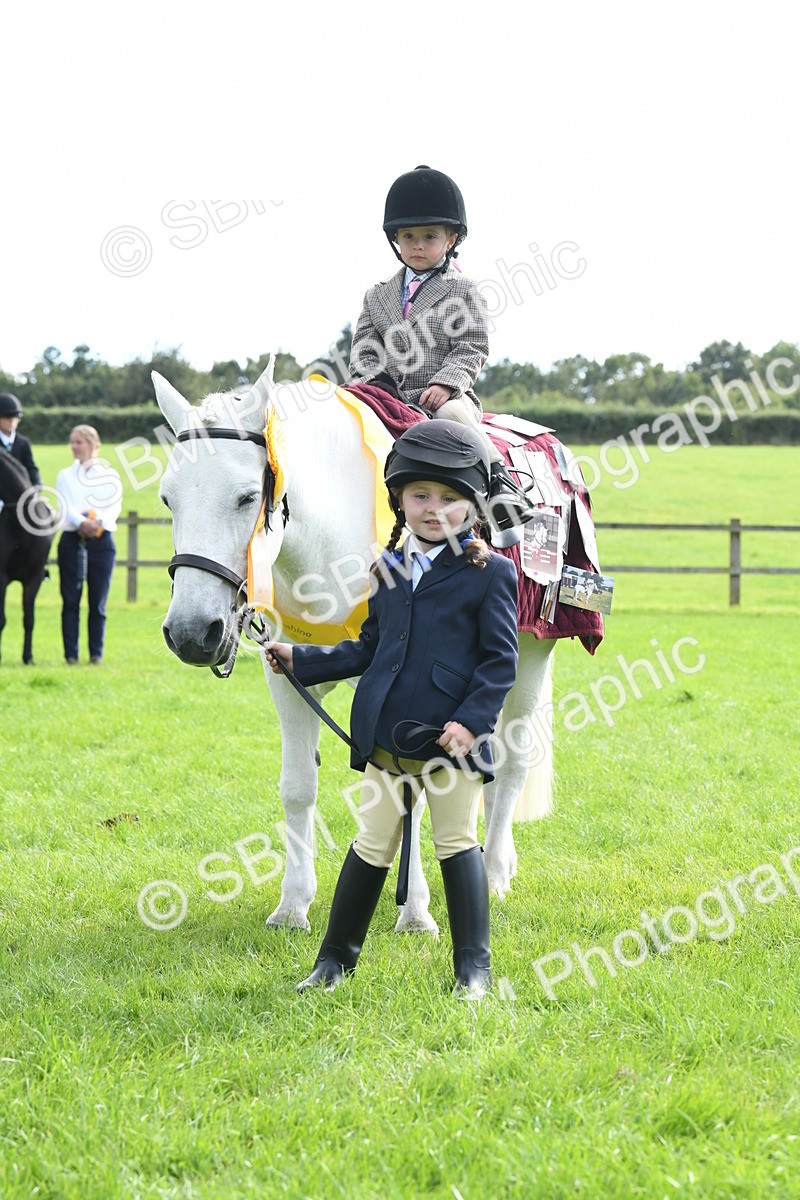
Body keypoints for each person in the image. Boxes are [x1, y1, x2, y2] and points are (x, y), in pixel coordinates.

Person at [265, 420, 519, 998]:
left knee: (456, 844)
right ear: (399, 500)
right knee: (370, 843)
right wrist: (301, 659)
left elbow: (499, 662)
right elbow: (370, 649)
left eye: (451, 499)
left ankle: (473, 973)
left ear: (472, 507)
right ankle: (334, 962)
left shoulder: (491, 574)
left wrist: (471, 723)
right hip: (386, 738)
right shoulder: (388, 568)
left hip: (450, 743)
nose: (435, 509)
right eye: (421, 496)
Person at [348, 164, 536, 544]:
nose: (418, 245)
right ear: (396, 239)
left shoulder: (462, 289)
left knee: (451, 414)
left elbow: (472, 345)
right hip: (386, 396)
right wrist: (372, 383)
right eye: (409, 236)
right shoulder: (376, 294)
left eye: (429, 237)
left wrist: (446, 384)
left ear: (451, 239)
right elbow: (364, 350)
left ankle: (500, 484)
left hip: (441, 399)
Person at [55, 425, 123, 664]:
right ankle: (71, 656)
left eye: (79, 442)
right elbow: (65, 506)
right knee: (71, 601)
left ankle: (96, 655)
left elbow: (114, 506)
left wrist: (98, 522)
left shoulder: (110, 475)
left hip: (101, 542)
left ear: (94, 445)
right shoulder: (64, 475)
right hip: (72, 541)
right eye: (72, 442)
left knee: (98, 603)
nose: (74, 447)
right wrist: (82, 522)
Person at [0, 391, 40, 486]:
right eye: (7, 417)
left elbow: (30, 467)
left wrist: (36, 486)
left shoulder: (23, 442)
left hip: (20, 491)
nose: (11, 421)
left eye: (15, 417)